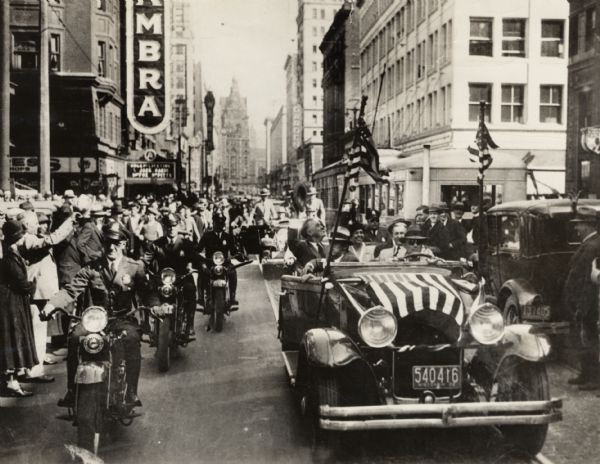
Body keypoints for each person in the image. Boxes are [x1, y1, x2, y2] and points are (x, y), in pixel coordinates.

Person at [42, 223, 147, 408]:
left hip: (122, 319)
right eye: (107, 242)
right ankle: (72, 390)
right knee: (75, 338)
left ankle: (131, 391)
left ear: (123, 244)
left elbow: (149, 292)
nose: (111, 247)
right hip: (96, 320)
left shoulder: (135, 267)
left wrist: (156, 306)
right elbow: (71, 290)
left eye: (116, 243)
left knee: (132, 340)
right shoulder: (92, 268)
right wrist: (52, 304)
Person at [563, 206, 600, 390]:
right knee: (584, 338)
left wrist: (582, 306)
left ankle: (594, 378)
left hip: (589, 303)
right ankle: (586, 374)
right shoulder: (590, 243)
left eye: (579, 225)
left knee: (589, 339)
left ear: (587, 225)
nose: (576, 228)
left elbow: (588, 281)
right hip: (584, 302)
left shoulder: (593, 246)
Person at [0, 220, 38, 397]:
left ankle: (11, 379)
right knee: (13, 338)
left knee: (12, 338)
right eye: (22, 235)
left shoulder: (11, 252)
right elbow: (20, 282)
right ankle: (12, 382)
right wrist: (32, 285)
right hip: (11, 303)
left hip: (11, 301)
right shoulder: (9, 255)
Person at [146, 214, 198, 339]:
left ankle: (189, 325)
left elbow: (195, 258)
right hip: (162, 279)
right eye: (169, 226)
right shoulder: (156, 244)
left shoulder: (186, 244)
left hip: (181, 278)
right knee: (148, 290)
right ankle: (147, 325)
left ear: (178, 226)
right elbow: (146, 259)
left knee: (190, 289)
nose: (171, 229)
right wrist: (143, 269)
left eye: (174, 226)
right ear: (164, 227)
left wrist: (194, 266)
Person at [197, 213, 240, 316]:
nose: (220, 225)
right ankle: (200, 300)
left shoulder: (228, 236)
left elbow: (233, 251)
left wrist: (240, 255)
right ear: (213, 223)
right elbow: (198, 249)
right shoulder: (207, 236)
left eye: (222, 223)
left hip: (224, 264)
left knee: (233, 272)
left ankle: (232, 299)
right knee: (201, 274)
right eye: (217, 223)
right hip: (209, 263)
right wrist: (199, 258)